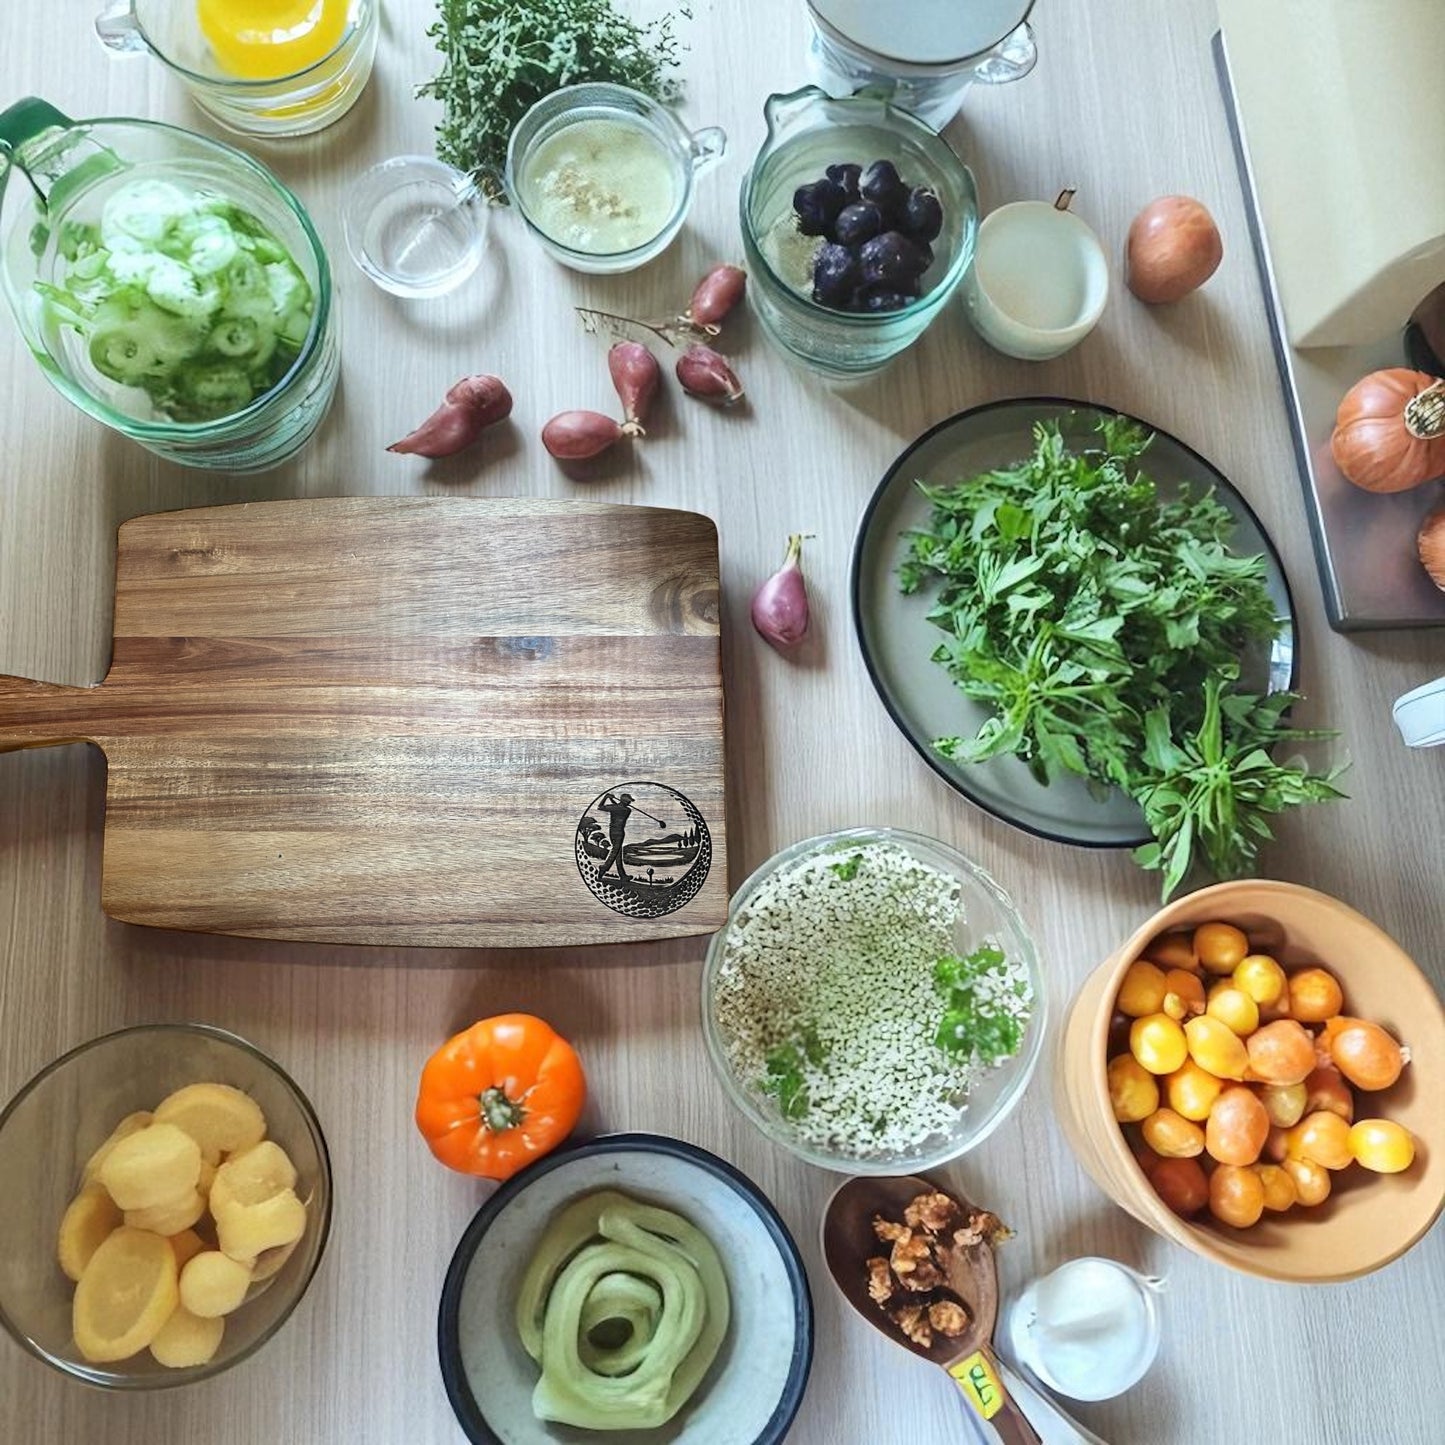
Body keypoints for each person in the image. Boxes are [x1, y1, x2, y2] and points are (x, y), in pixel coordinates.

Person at [595, 792, 634, 880]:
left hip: (613, 832)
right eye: (628, 801)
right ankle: (604, 868)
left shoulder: (621, 809)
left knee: (618, 853)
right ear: (624, 802)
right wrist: (610, 799)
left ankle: (622, 875)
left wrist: (606, 798)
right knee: (615, 851)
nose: (630, 803)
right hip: (619, 832)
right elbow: (617, 807)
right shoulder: (627, 810)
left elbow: (600, 807)